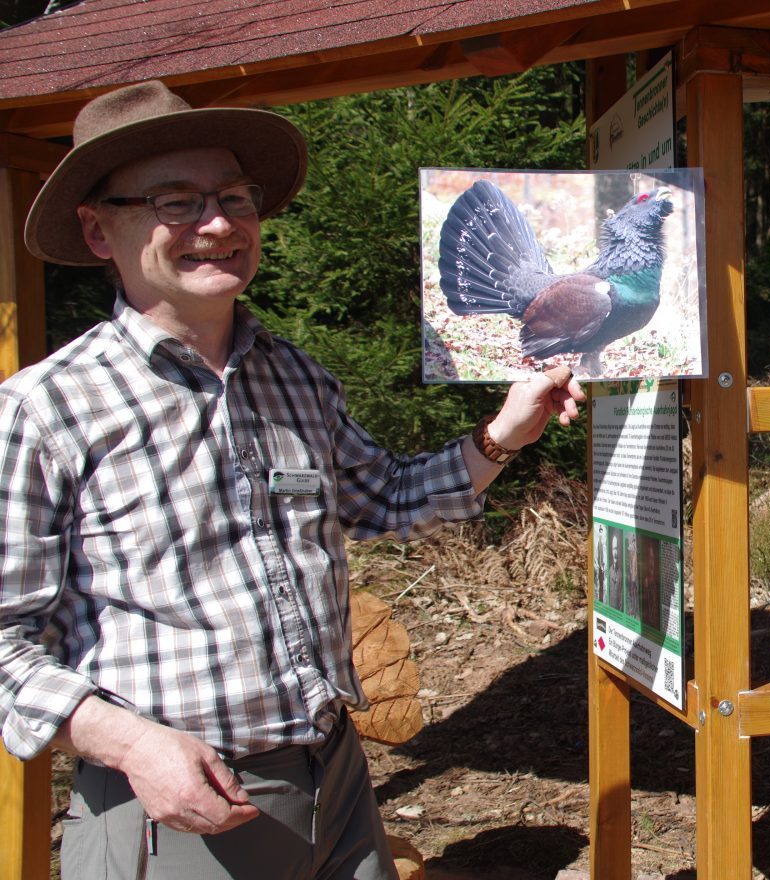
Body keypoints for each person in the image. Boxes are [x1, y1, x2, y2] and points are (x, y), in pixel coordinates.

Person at [0, 80, 585, 879]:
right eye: (176, 203)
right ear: (100, 231)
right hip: (173, 813)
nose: (218, 223)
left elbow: (383, 500)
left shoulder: (294, 379)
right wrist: (134, 744)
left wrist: (505, 430)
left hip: (336, 782)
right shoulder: (43, 411)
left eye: (235, 196)